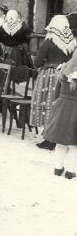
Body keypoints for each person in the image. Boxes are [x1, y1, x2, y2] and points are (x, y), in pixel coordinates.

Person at [32, 15, 77, 150]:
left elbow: (37, 62)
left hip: (50, 75)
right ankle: (60, 137)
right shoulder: (73, 42)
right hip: (66, 77)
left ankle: (49, 138)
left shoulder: (49, 41)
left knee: (47, 103)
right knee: (60, 107)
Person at [42, 52, 77, 180]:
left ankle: (58, 168)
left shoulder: (65, 68)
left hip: (62, 106)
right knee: (74, 144)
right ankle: (70, 171)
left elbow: (56, 92)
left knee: (60, 141)